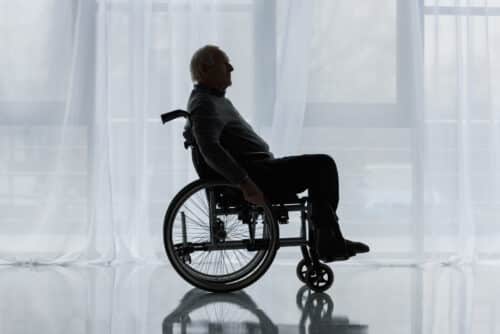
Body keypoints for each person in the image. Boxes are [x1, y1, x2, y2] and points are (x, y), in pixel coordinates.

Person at [185, 45, 369, 261]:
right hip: (257, 175)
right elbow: (211, 150)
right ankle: (328, 240)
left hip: (260, 169)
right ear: (206, 69)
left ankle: (329, 238)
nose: (231, 68)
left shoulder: (212, 99)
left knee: (320, 169)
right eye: (225, 64)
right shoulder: (205, 104)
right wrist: (245, 183)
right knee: (323, 166)